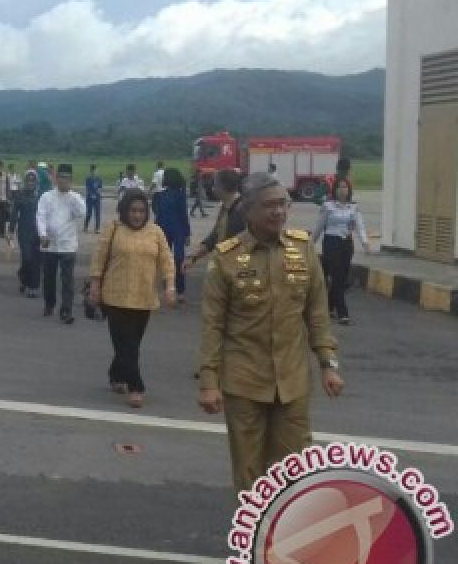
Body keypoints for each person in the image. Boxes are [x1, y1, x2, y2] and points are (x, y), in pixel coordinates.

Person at [199, 173, 343, 492]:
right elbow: (213, 325)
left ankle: (287, 538)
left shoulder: (303, 250)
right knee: (250, 473)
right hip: (244, 383)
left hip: (293, 382)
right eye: (269, 206)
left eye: (283, 204)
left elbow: (317, 314)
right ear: (248, 211)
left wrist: (328, 365)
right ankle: (256, 541)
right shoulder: (226, 259)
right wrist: (209, 382)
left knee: (294, 472)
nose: (278, 212)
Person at [88, 189, 176, 408]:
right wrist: (95, 287)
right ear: (125, 211)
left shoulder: (155, 232)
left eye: (141, 211)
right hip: (115, 297)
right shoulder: (114, 229)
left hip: (143, 297)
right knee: (126, 344)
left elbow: (167, 260)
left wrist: (170, 287)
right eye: (133, 210)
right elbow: (99, 258)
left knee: (131, 344)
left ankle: (116, 374)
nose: (137, 215)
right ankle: (136, 387)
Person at [312, 181, 370, 324]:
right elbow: (319, 227)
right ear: (334, 190)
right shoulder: (328, 206)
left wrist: (365, 242)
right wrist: (309, 244)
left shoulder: (353, 207)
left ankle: (329, 306)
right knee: (337, 277)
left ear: (349, 190)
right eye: (339, 187)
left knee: (343, 279)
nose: (342, 190)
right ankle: (343, 313)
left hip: (346, 244)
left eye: (345, 187)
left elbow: (360, 226)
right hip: (331, 243)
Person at [36, 164, 86, 323]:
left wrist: (73, 197)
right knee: (49, 277)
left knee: (67, 280)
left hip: (68, 245)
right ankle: (49, 304)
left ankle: (66, 310)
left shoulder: (75, 198)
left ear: (71, 180)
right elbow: (40, 216)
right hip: (49, 244)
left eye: (67, 179)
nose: (64, 181)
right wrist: (42, 234)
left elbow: (82, 213)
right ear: (56, 179)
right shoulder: (46, 197)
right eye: (61, 178)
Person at [152, 167, 192, 303]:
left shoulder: (160, 196)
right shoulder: (180, 196)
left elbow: (158, 216)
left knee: (166, 260)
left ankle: (168, 288)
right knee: (179, 259)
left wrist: (155, 232)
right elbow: (183, 215)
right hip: (178, 230)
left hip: (164, 230)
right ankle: (180, 291)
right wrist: (187, 233)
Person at [11, 170, 42, 298]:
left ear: (36, 182)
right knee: (27, 258)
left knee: (37, 260)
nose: (30, 183)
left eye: (33, 180)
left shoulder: (41, 196)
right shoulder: (20, 195)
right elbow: (14, 214)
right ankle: (23, 275)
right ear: (25, 182)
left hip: (39, 232)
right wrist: (10, 231)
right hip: (24, 231)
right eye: (28, 180)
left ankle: (32, 286)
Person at [84, 164, 103, 233]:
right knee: (89, 213)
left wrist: (98, 193)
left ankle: (97, 228)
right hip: (90, 198)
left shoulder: (99, 179)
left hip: (97, 198)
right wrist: (91, 194)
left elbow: (100, 188)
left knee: (97, 213)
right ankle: (85, 226)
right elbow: (87, 188)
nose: (96, 172)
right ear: (91, 171)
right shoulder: (88, 179)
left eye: (96, 170)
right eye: (95, 170)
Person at [6, 163, 22, 233]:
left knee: (15, 206)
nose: (13, 169)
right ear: (9, 169)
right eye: (11, 168)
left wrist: (19, 191)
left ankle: (13, 218)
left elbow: (19, 183)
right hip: (10, 191)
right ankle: (11, 218)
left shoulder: (17, 175)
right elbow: (7, 184)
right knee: (10, 206)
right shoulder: (8, 175)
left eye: (13, 168)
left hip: (16, 191)